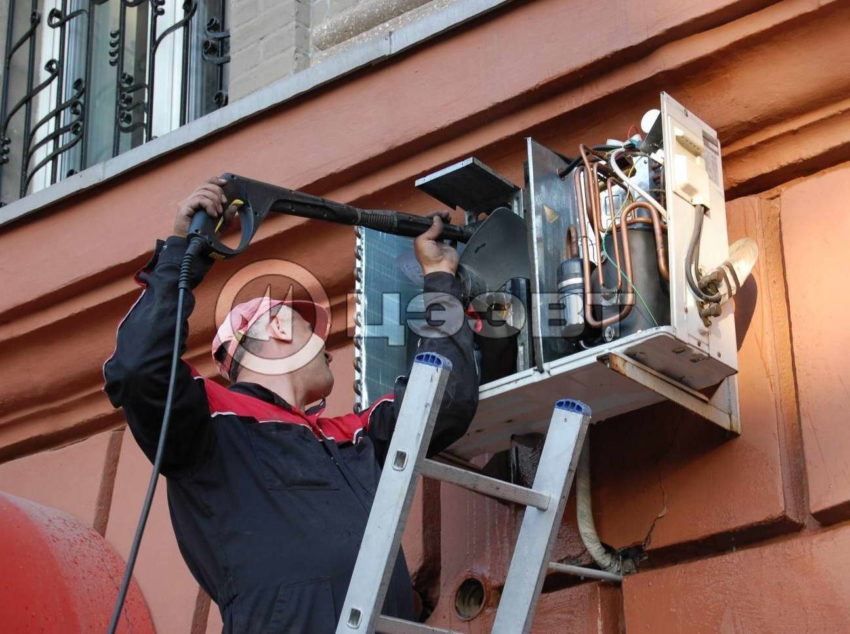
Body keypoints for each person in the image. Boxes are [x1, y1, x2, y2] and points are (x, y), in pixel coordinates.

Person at [103, 177, 479, 633]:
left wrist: (440, 281)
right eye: (309, 329)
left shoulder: (351, 434)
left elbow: (443, 397)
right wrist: (183, 251)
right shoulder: (209, 417)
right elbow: (139, 368)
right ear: (279, 327)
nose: (328, 349)